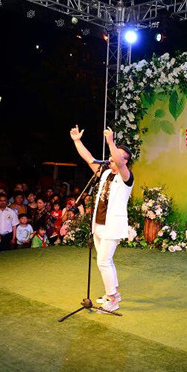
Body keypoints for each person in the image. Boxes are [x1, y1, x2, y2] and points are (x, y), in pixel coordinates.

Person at [70, 125, 134, 313]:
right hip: (98, 223)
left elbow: (119, 163)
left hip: (112, 226)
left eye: (118, 155)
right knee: (106, 261)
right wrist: (77, 141)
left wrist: (111, 142)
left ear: (125, 160)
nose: (112, 157)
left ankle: (112, 298)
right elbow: (89, 158)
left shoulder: (127, 177)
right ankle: (113, 293)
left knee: (103, 262)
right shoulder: (105, 172)